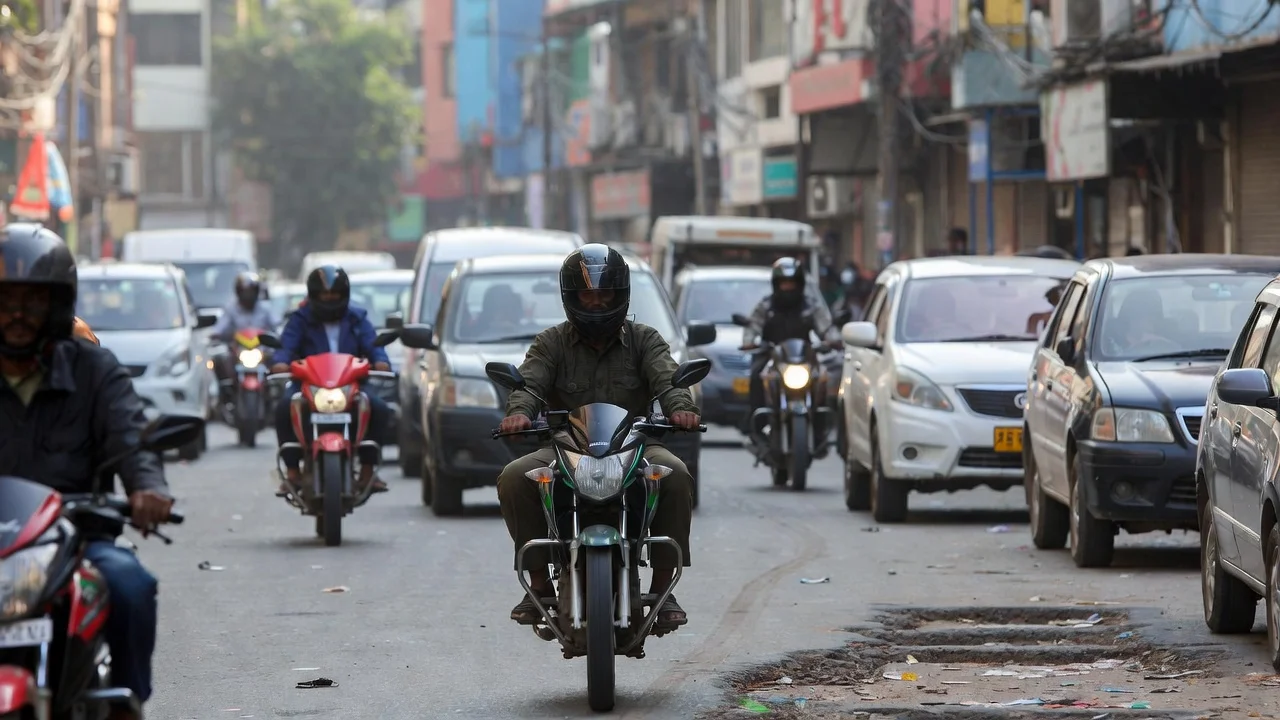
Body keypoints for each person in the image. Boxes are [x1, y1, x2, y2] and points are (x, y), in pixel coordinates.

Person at [0, 223, 173, 720]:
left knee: (131, 585)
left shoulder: (95, 370)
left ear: (55, 306)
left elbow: (131, 438)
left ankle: (126, 703)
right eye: (6, 300)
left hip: (74, 542)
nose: (16, 315)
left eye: (31, 302)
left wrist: (148, 488)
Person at [495, 243, 700, 628]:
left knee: (675, 474)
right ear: (571, 297)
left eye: (604, 293)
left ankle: (662, 588)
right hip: (565, 448)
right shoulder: (550, 343)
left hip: (635, 445)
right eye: (587, 294)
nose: (596, 302)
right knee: (513, 478)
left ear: (620, 294)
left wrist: (680, 409)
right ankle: (538, 584)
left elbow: (668, 379)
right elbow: (529, 384)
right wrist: (519, 414)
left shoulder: (644, 339)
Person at [270, 265, 392, 496]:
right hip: (308, 385)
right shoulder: (300, 319)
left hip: (350, 384)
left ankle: (368, 471)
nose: (329, 300)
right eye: (323, 295)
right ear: (313, 296)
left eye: (334, 295)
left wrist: (380, 360)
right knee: (284, 407)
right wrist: (280, 361)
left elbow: (373, 345)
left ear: (344, 295)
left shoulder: (357, 318)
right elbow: (286, 346)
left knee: (380, 408)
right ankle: (293, 472)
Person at [740, 258, 841, 440]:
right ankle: (757, 425)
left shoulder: (811, 306)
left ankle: (821, 427)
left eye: (791, 283)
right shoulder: (766, 306)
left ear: (800, 284)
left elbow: (825, 327)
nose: (788, 288)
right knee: (756, 375)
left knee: (822, 378)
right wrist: (749, 342)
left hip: (803, 357)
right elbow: (753, 326)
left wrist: (832, 340)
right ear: (776, 284)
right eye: (784, 284)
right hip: (772, 356)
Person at [210, 272, 279, 409]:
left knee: (280, 362)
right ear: (238, 292)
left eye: (251, 291)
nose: (248, 295)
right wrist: (215, 334)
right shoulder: (231, 309)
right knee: (218, 360)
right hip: (238, 352)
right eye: (245, 291)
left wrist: (278, 335)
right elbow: (221, 327)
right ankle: (224, 397)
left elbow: (277, 326)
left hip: (262, 351)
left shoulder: (265, 309)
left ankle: (275, 395)